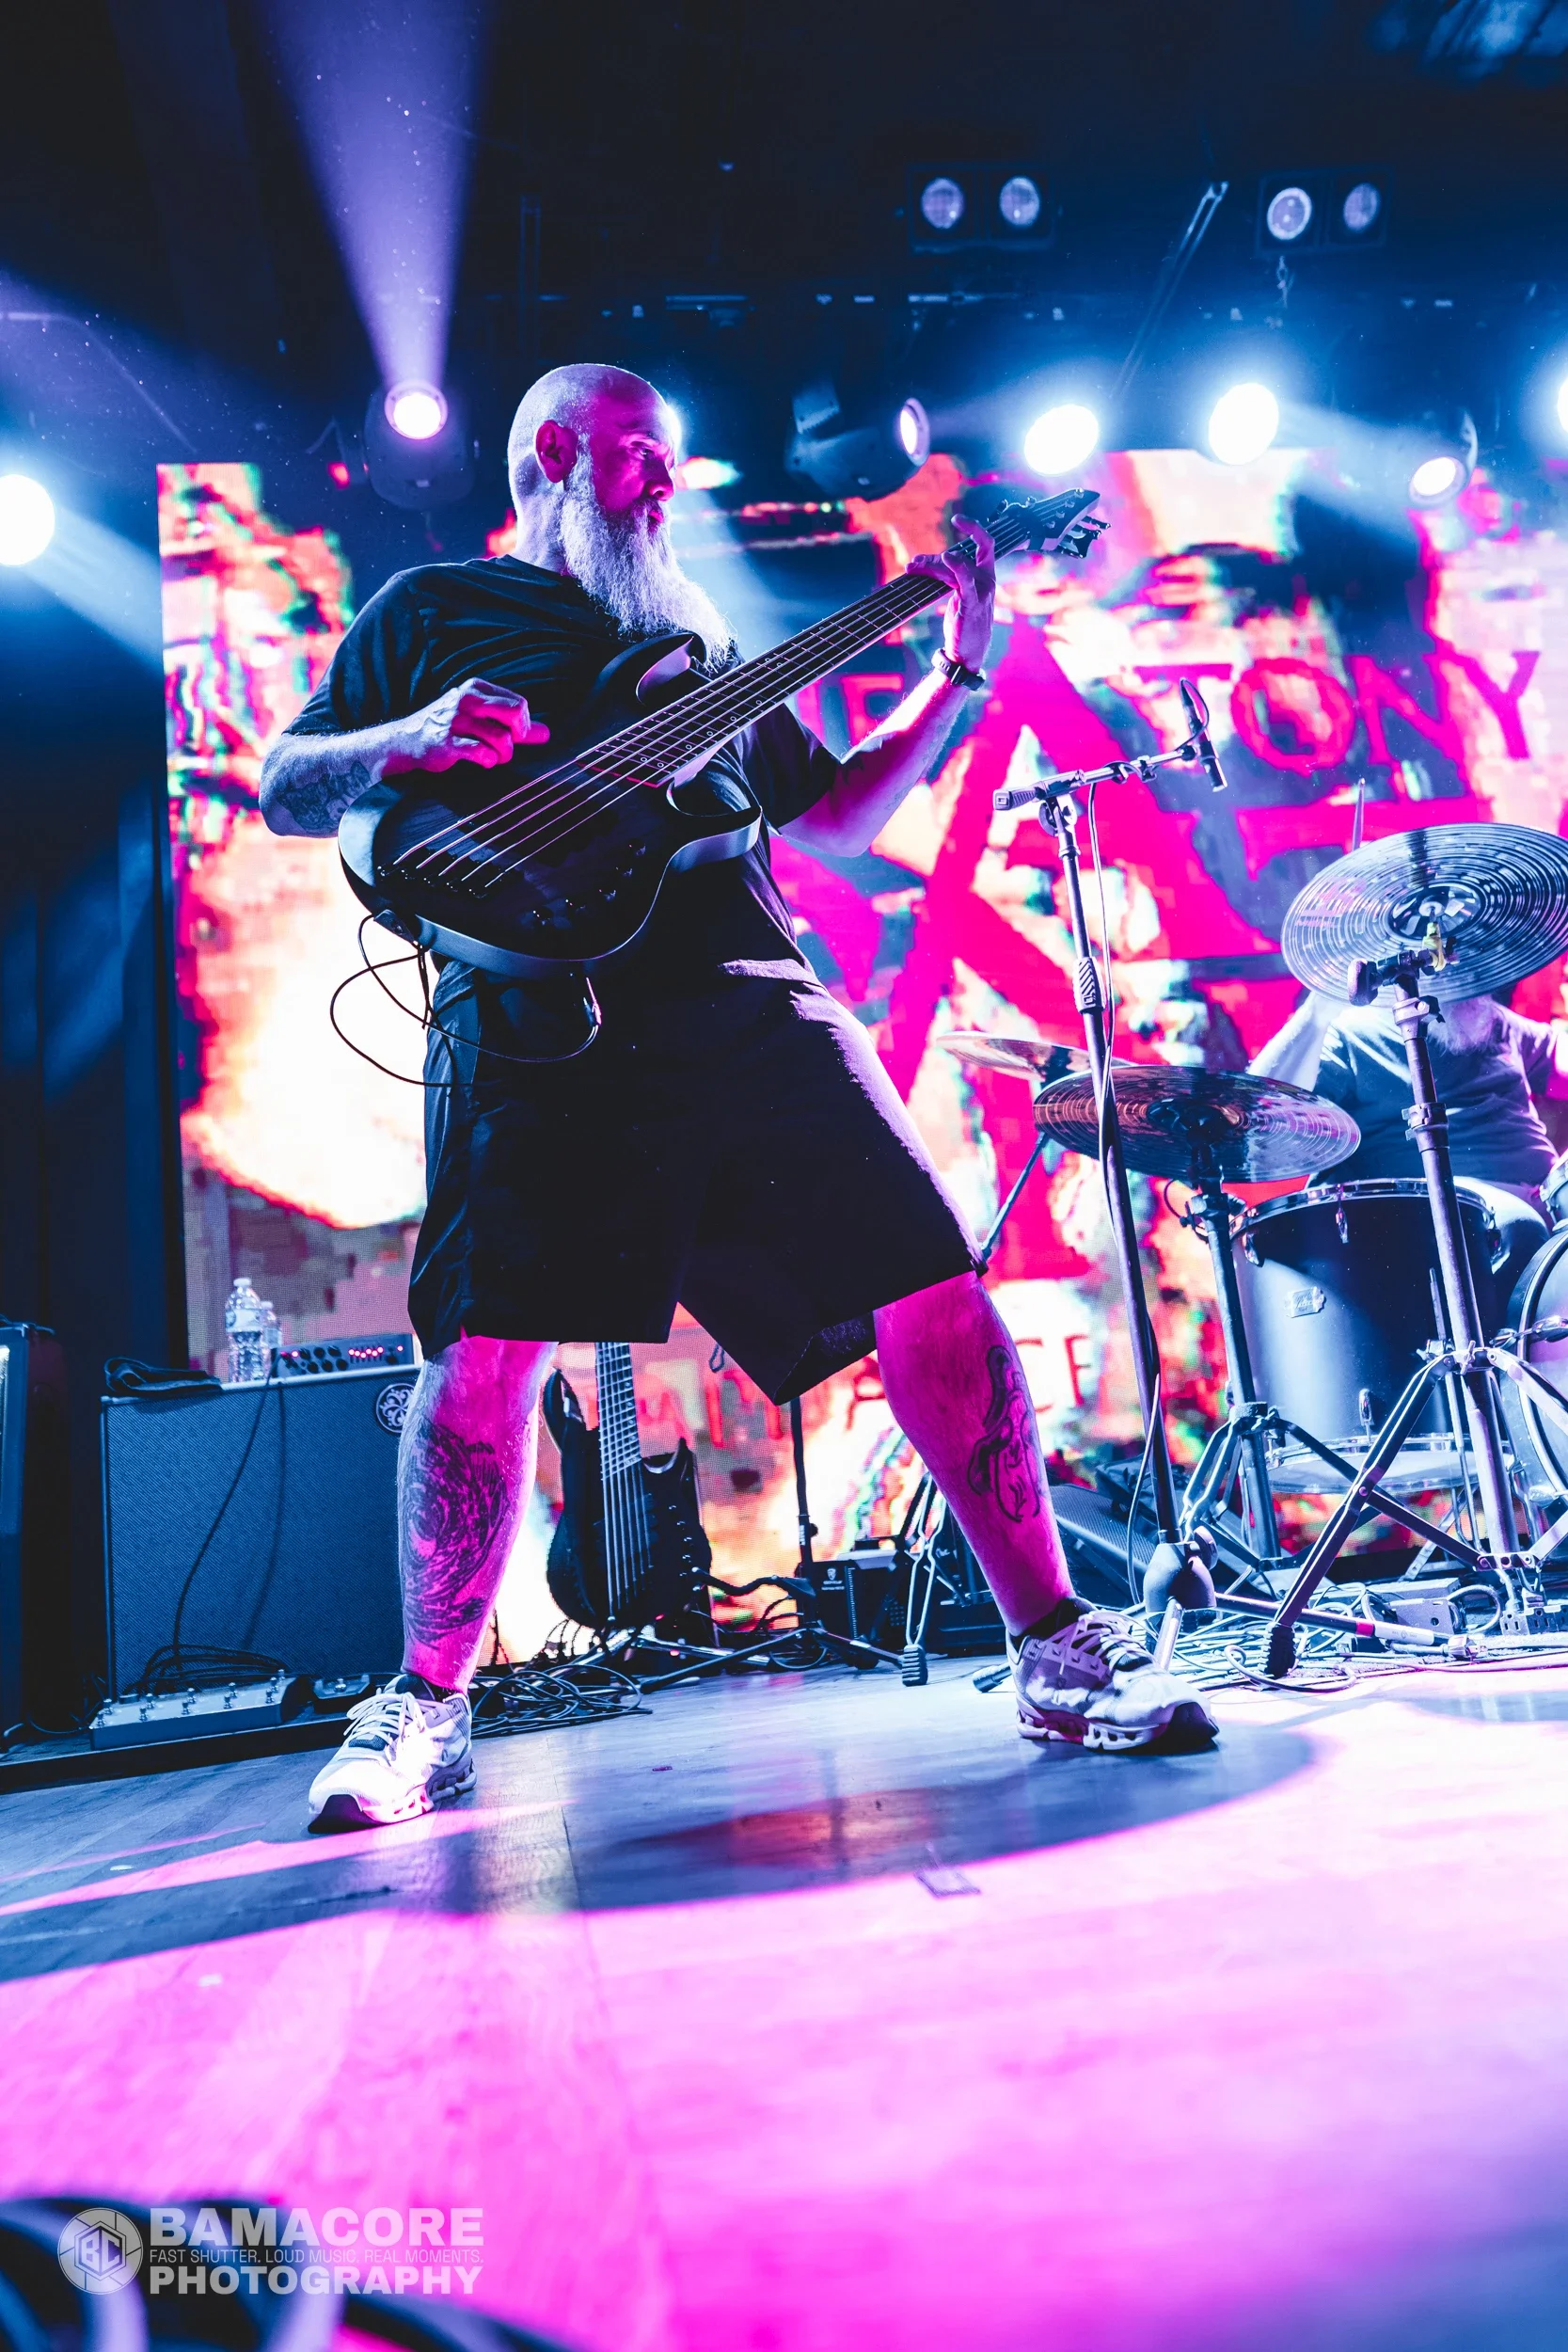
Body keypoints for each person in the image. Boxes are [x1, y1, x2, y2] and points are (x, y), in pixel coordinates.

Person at [260, 363, 1216, 1828]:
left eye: (669, 460)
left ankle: (1053, 1649)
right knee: (485, 1348)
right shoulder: (434, 610)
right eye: (639, 456)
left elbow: (833, 818)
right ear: (552, 454)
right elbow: (289, 782)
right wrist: (409, 737)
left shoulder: (695, 643)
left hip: (748, 996)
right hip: (531, 1018)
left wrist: (957, 670)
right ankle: (425, 1709)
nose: (664, 484)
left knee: (932, 1282)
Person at [1251, 986, 1568, 1198]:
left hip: (1548, 1203)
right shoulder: (1349, 1031)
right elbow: (1256, 1111)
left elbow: (1557, 1055)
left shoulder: (1485, 1015)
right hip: (1438, 1223)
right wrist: (1318, 1009)